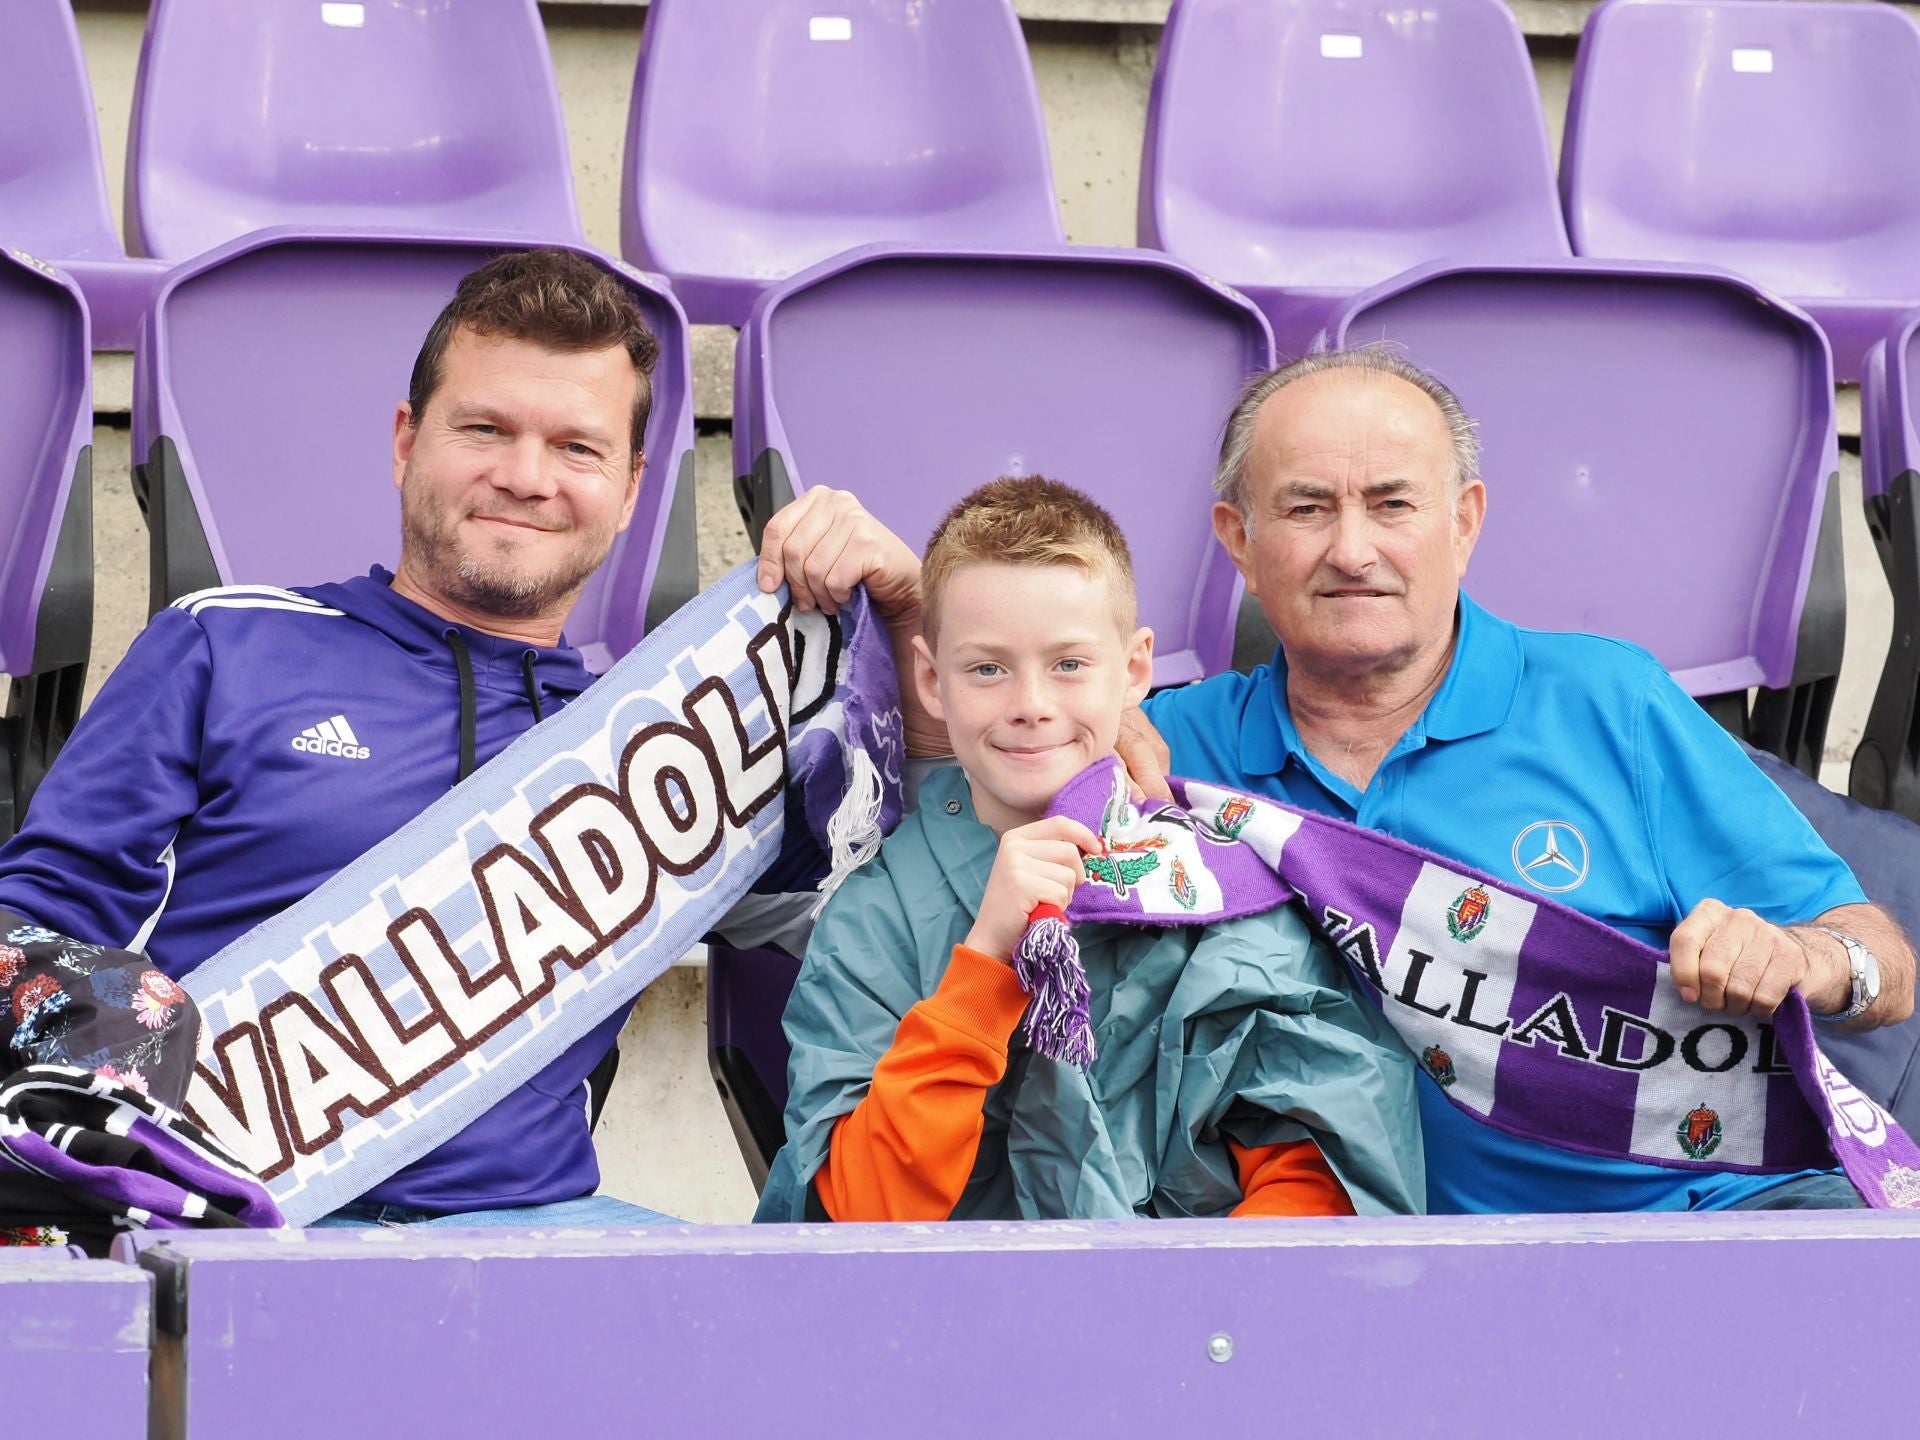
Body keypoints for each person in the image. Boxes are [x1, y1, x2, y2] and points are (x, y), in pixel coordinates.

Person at [0, 249, 930, 1228]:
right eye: (484, 429)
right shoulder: (226, 644)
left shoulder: (665, 733)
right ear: (407, 442)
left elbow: (902, 934)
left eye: (577, 448)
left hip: (539, 1240)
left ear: (630, 487)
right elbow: (32, 931)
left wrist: (916, 640)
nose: (525, 477)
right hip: (244, 1232)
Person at [1118, 347, 1916, 1213]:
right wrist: (1085, 720)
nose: (1352, 549)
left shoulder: (1608, 701)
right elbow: (973, 675)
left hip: (1699, 1232)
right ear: (1239, 540)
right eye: (1307, 508)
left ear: (1464, 523)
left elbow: (1884, 965)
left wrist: (1804, 955)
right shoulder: (1170, 747)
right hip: (1365, 1278)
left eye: (1393, 504)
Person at [756, 476, 1424, 1223]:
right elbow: (857, 1214)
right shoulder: (874, 918)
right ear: (931, 682)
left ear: (1134, 670)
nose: (1032, 703)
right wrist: (983, 965)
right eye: (987, 668)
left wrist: (1188, 1311)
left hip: (1200, 1318)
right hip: (955, 1320)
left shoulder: (1218, 881)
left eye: (1069, 664)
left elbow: (1316, 1172)